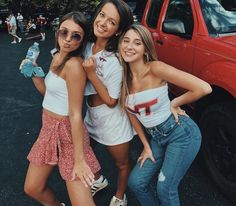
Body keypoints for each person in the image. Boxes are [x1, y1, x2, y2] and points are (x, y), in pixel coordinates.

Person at [119, 24, 212, 206]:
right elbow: (131, 115)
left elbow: (203, 88)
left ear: (145, 48)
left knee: (165, 189)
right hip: (156, 139)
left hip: (181, 134)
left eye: (137, 43)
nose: (130, 46)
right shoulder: (123, 79)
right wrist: (146, 146)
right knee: (136, 183)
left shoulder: (155, 68)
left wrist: (174, 103)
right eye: (126, 41)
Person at [23, 11, 101, 206]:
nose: (68, 40)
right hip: (48, 128)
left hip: (68, 132)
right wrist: (34, 73)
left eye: (76, 36)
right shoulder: (57, 56)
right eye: (64, 32)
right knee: (32, 187)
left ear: (82, 41)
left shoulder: (74, 65)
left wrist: (79, 159)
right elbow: (49, 95)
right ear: (57, 32)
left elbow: (75, 113)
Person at [82, 0, 134, 205]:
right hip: (90, 115)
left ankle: (120, 196)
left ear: (119, 30)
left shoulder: (115, 59)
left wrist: (92, 74)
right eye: (102, 15)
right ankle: (99, 180)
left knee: (122, 164)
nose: (103, 22)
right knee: (84, 151)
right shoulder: (86, 46)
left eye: (111, 21)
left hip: (112, 120)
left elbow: (112, 101)